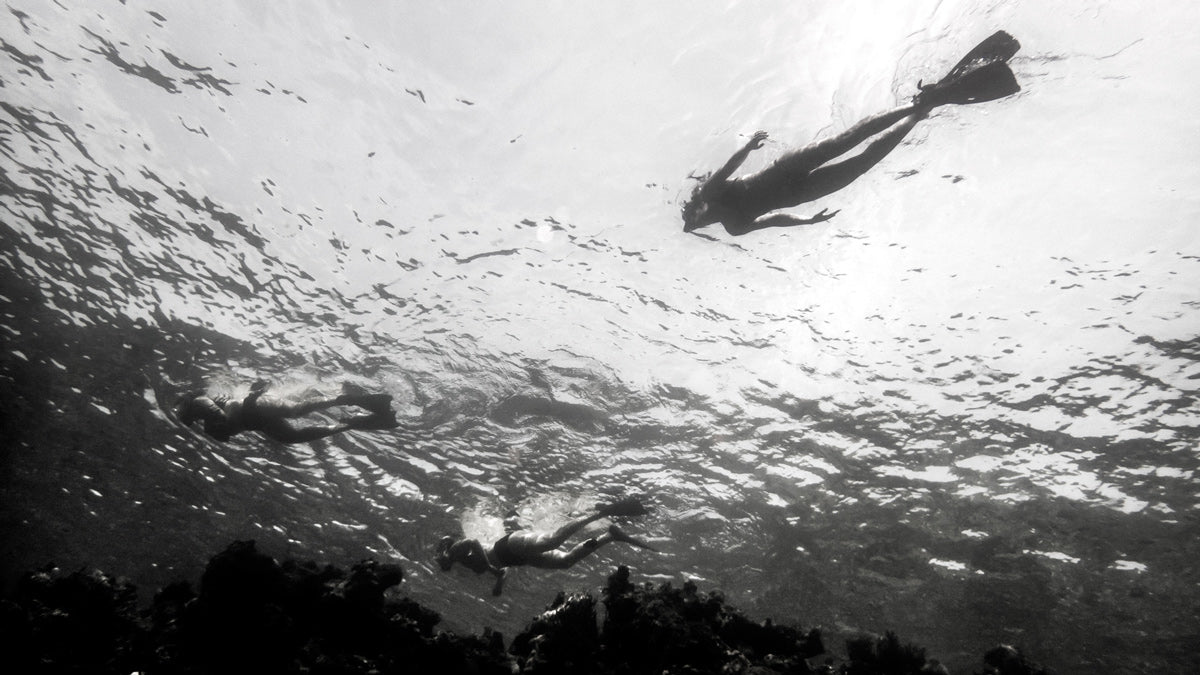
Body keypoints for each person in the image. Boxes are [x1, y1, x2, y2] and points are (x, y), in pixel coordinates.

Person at [682, 30, 1020, 237]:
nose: (703, 220)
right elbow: (774, 220)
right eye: (699, 225)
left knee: (850, 138)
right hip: (804, 192)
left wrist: (751, 147)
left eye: (697, 218)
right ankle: (920, 113)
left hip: (786, 169)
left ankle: (916, 103)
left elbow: (729, 166)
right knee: (863, 163)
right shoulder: (736, 227)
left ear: (698, 211)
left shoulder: (713, 193)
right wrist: (808, 222)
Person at [436, 498, 656, 596]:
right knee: (565, 562)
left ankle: (600, 514)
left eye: (439, 558)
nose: (441, 563)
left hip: (509, 545)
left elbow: (474, 542)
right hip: (516, 558)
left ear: (444, 551)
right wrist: (499, 584)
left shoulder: (455, 551)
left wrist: (489, 568)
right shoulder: (460, 562)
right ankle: (609, 536)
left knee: (553, 541)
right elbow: (502, 571)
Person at [176, 379, 398, 443]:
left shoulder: (198, 403)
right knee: (292, 436)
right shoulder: (199, 411)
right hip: (255, 420)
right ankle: (351, 422)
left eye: (187, 419)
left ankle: (348, 400)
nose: (191, 422)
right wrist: (216, 431)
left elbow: (220, 418)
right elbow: (224, 430)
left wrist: (214, 429)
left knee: (296, 411)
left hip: (252, 407)